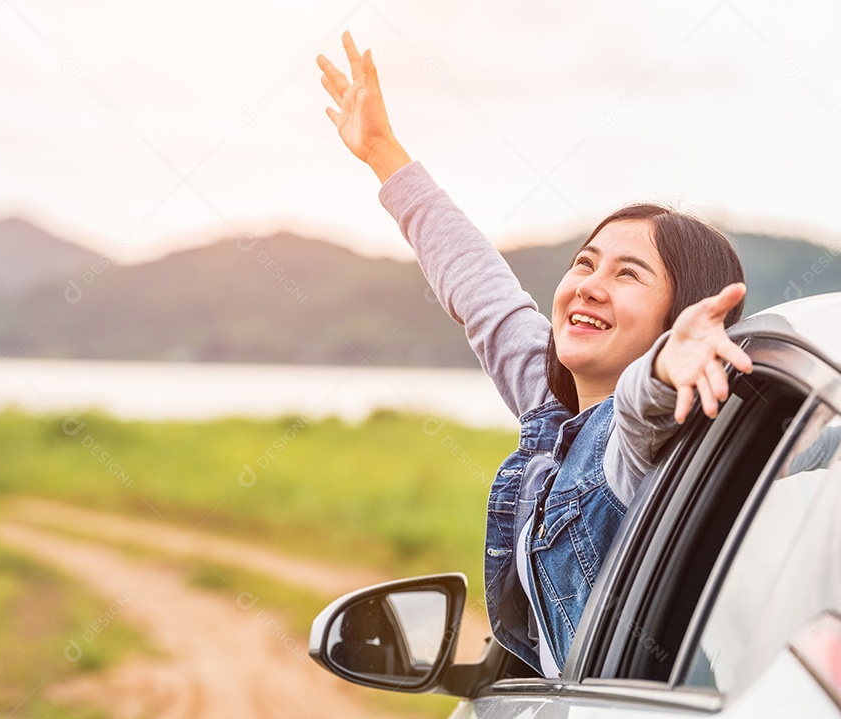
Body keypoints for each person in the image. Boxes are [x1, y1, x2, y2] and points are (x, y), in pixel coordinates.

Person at [316, 31, 753, 678]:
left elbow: (639, 410)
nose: (589, 284)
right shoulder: (555, 407)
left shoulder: (642, 441)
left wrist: (664, 368)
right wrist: (384, 153)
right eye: (585, 262)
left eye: (628, 275)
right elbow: (479, 288)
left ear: (682, 316)